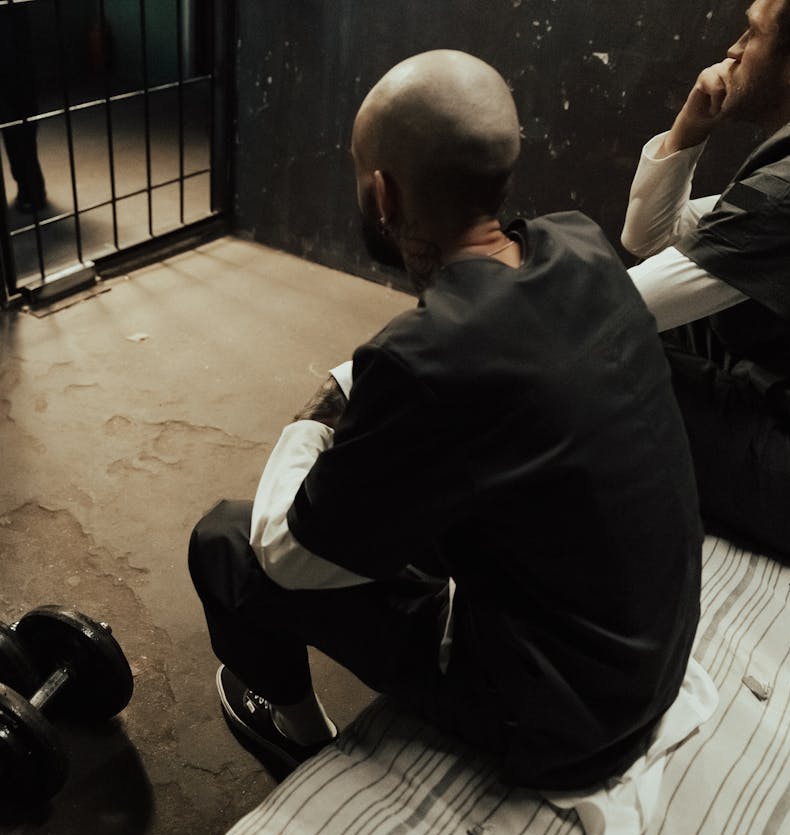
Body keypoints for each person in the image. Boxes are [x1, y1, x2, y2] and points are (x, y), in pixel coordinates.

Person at [188, 51, 703, 790]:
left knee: (226, 542)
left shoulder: (424, 360)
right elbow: (481, 365)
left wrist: (313, 421)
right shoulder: (580, 244)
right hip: (642, 665)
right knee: (414, 503)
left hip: (561, 722)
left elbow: (287, 554)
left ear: (383, 192)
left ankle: (298, 738)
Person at [621, 0, 790, 578]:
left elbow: (607, 313)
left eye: (752, 33)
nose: (733, 49)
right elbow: (652, 238)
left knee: (589, 366)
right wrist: (690, 127)